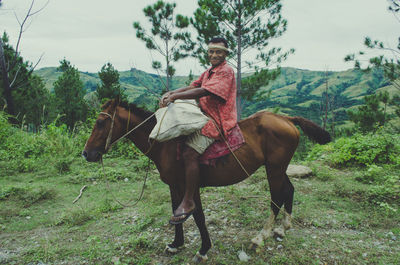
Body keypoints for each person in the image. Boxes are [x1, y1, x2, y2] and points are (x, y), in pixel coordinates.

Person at [160, 37, 237, 224]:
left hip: (217, 119)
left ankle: (188, 200)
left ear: (225, 54)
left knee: (189, 153)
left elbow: (204, 92)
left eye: (219, 51)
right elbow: (194, 86)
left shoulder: (226, 71)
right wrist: (171, 93)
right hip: (203, 114)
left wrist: (176, 96)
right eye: (211, 51)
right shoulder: (209, 72)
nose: (214, 55)